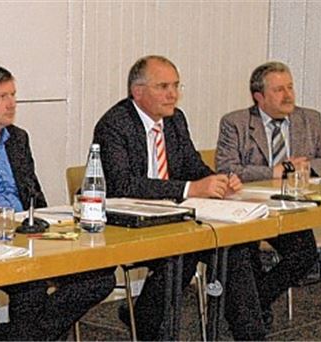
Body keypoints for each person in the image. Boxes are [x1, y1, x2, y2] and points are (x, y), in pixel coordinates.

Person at [0, 64, 116, 341]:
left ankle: (16, 336)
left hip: (31, 233)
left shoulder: (18, 138)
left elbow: (33, 195)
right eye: (1, 96)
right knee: (31, 286)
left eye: (13, 94)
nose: (12, 103)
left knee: (99, 277)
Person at [92, 56, 265, 340]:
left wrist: (219, 181)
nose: (173, 94)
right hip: (128, 221)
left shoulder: (175, 120)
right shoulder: (114, 124)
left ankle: (251, 336)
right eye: (163, 86)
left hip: (173, 216)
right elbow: (122, 185)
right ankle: (147, 317)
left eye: (175, 85)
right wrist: (190, 189)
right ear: (138, 92)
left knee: (233, 250)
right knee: (184, 251)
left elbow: (192, 166)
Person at [216, 61, 321, 328]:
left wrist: (300, 168)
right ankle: (250, 314)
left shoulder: (309, 118)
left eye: (290, 87)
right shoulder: (236, 123)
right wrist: (274, 171)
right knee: (245, 252)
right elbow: (227, 168)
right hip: (247, 208)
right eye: (279, 89)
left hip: (291, 206)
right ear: (259, 96)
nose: (288, 95)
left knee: (304, 255)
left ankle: (251, 306)